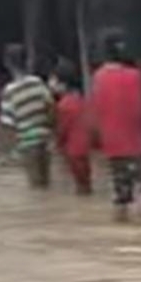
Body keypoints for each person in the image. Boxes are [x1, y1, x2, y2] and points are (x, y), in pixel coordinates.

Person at [91, 34, 141, 223]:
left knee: (120, 193)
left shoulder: (99, 77)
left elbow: (97, 111)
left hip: (113, 146)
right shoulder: (136, 76)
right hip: (138, 143)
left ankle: (121, 229)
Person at [0, 44, 55, 189]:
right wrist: (50, 133)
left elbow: (8, 124)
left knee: (36, 187)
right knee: (46, 183)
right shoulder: (37, 83)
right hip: (44, 140)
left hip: (27, 144)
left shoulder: (9, 91)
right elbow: (50, 107)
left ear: (7, 64)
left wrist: (13, 149)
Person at [50, 59, 92, 196]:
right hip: (84, 148)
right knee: (86, 185)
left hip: (73, 151)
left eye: (53, 80)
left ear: (62, 83)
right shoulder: (79, 99)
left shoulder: (63, 105)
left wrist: (55, 145)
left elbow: (62, 131)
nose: (50, 84)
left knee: (81, 188)